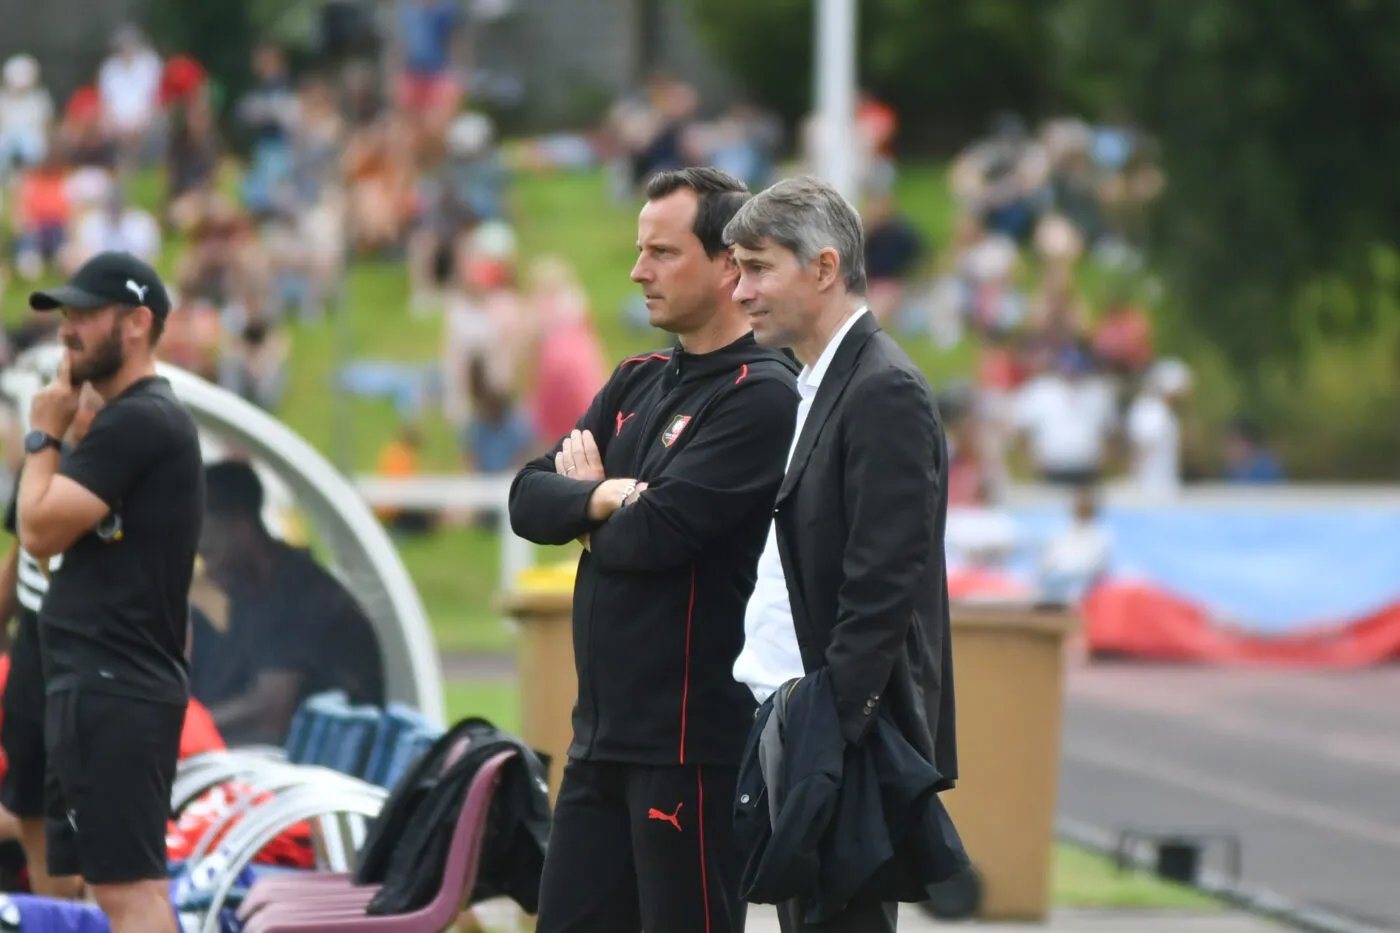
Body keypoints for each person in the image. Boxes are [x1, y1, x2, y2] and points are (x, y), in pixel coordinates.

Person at [508, 167, 800, 933]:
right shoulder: (636, 379)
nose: (639, 271)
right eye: (641, 250)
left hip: (688, 748)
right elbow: (527, 499)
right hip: (600, 738)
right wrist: (606, 495)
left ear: (728, 264)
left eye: (662, 252)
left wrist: (601, 511)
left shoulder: (762, 392)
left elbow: (658, 533)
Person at [726, 176, 957, 933]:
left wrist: (826, 731)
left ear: (823, 268)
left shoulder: (883, 388)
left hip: (840, 737)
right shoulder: (821, 381)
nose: (742, 291)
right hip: (807, 722)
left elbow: (882, 589)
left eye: (758, 267)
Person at [17, 251, 204, 933]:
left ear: (136, 323)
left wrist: (46, 429)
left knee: (131, 895)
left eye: (84, 315)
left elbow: (37, 528)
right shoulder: (123, 420)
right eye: (64, 315)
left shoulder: (142, 419)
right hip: (95, 681)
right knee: (89, 886)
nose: (67, 330)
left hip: (114, 684)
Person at [192, 459, 386, 747]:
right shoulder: (253, 591)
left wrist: (189, 728)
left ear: (241, 527)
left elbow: (270, 709)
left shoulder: (295, 592)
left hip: (329, 759)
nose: (208, 570)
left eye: (209, 553)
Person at [0, 385, 103, 900]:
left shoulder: (114, 464)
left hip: (81, 655)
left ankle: (75, 907)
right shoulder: (43, 457)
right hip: (32, 649)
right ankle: (53, 911)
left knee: (73, 813)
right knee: (30, 802)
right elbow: (19, 557)